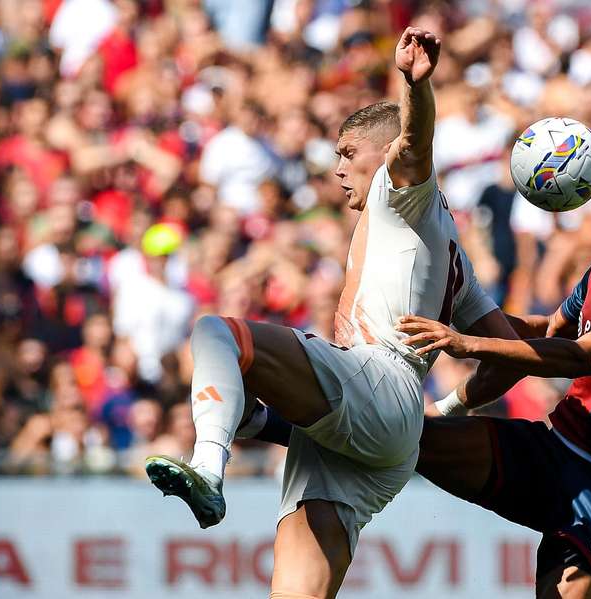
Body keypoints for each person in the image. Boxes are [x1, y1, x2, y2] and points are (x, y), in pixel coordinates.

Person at [145, 27, 517, 599]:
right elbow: (505, 357)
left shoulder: (401, 193)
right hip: (392, 429)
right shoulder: (449, 251)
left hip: (379, 379)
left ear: (383, 153)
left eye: (347, 153)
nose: (337, 168)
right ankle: (255, 421)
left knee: (217, 333)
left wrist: (415, 86)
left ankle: (210, 468)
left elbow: (414, 144)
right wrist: (441, 409)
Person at [397, 156, 591, 599]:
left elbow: (576, 356)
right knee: (408, 434)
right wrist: (463, 332)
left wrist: (468, 345)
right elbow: (546, 333)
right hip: (554, 449)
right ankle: (268, 421)